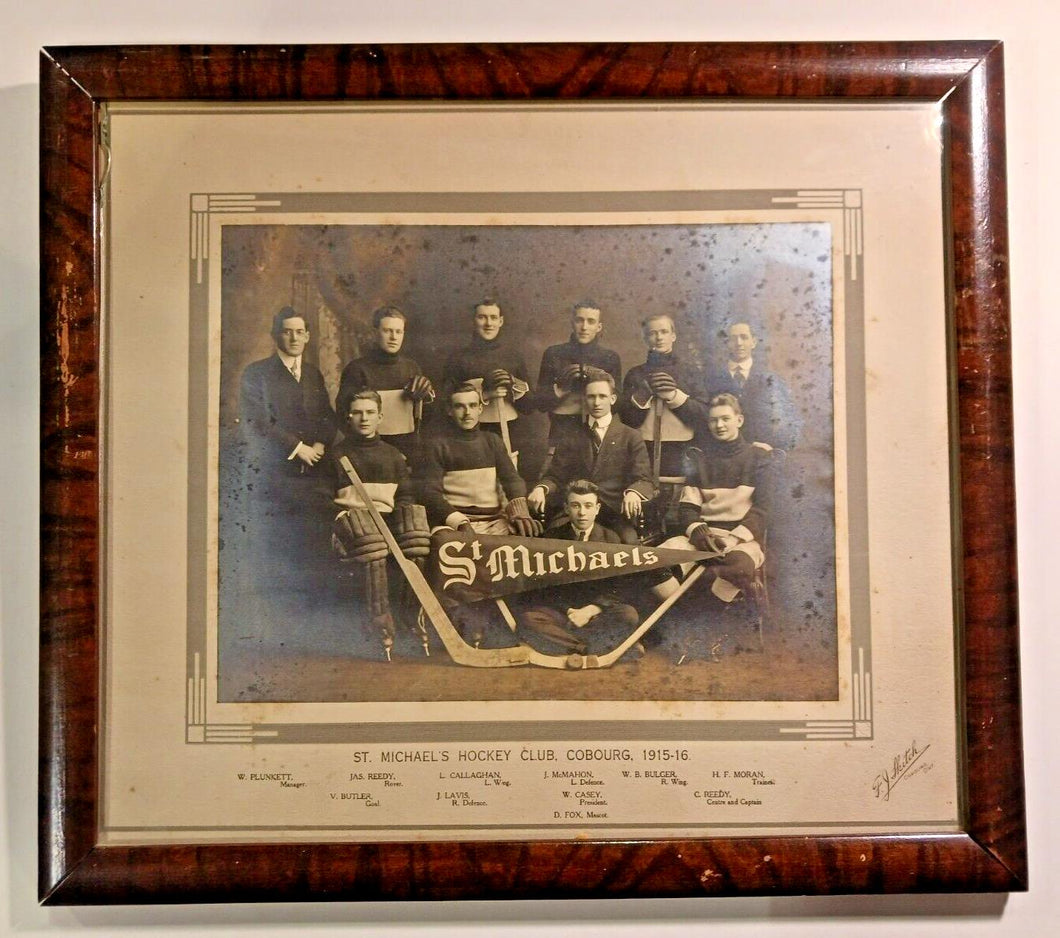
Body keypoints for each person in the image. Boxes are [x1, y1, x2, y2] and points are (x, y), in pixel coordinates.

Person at [238, 307, 338, 583]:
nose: (293, 338)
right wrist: (298, 448)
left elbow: (327, 416)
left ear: (307, 336)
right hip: (275, 473)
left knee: (315, 542)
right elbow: (257, 421)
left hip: (314, 473)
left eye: (299, 332)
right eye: (286, 331)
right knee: (279, 546)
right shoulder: (257, 374)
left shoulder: (312, 374)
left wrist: (319, 444)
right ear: (275, 335)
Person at [329, 389, 431, 658]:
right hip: (352, 525)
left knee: (418, 539)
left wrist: (404, 516)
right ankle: (380, 623)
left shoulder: (393, 455)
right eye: (358, 413)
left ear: (380, 417)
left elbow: (405, 495)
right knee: (372, 544)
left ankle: (412, 615)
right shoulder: (337, 455)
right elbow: (321, 497)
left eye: (370, 412)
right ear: (348, 417)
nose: (364, 418)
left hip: (386, 520)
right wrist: (340, 518)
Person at [653, 393, 775, 605]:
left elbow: (764, 510)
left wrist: (733, 539)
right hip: (703, 538)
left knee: (738, 567)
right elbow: (688, 508)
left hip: (740, 540)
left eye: (725, 418)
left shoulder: (757, 457)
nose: (719, 425)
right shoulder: (699, 458)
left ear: (739, 420)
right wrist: (701, 535)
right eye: (713, 420)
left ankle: (708, 610)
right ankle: (685, 608)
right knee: (653, 561)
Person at [513, 480, 639, 656]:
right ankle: (591, 648)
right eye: (575, 506)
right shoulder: (553, 537)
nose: (582, 513)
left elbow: (617, 587)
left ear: (597, 509)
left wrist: (591, 610)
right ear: (566, 509)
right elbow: (545, 586)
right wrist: (570, 611)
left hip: (595, 613)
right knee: (528, 620)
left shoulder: (611, 538)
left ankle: (570, 643)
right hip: (564, 613)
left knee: (628, 615)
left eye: (588, 506)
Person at [528, 371, 655, 544]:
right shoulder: (571, 434)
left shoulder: (630, 436)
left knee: (629, 543)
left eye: (602, 396)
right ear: (584, 399)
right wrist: (541, 489)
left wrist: (633, 492)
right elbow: (555, 475)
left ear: (612, 399)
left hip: (613, 511)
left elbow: (644, 479)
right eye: (591, 397)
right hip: (576, 510)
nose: (596, 402)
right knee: (554, 538)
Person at [419, 383, 542, 537]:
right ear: (449, 410)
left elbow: (512, 480)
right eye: (459, 406)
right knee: (444, 541)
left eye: (472, 405)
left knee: (525, 539)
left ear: (480, 409)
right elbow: (430, 493)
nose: (467, 412)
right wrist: (458, 521)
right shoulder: (438, 446)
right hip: (454, 523)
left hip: (494, 521)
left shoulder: (492, 441)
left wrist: (520, 512)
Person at [335, 306, 434, 460]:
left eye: (398, 331)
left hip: (408, 451)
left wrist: (425, 398)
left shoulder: (411, 367)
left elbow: (421, 419)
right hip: (370, 452)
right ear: (375, 333)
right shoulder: (357, 369)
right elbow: (343, 417)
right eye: (387, 331)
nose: (394, 337)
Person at [617, 313, 710, 477]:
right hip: (644, 448)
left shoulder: (690, 372)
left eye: (664, 332)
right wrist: (642, 396)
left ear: (673, 336)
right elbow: (626, 420)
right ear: (645, 339)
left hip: (681, 450)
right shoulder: (635, 373)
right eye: (652, 333)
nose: (659, 337)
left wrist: (674, 397)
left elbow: (703, 416)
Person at [441, 299, 533, 462]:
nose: (488, 323)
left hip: (508, 431)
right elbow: (446, 404)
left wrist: (513, 386)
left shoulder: (513, 357)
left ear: (501, 321)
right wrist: (485, 395)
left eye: (493, 317)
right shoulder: (459, 358)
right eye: (482, 317)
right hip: (472, 431)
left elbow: (529, 406)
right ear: (473, 320)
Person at [532, 301, 622, 446]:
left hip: (598, 428)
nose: (584, 327)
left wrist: (598, 378)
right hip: (562, 430)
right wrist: (561, 391)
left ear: (599, 327)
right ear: (572, 323)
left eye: (591, 321)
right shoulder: (554, 353)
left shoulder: (610, 357)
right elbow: (540, 403)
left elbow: (618, 404)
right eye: (579, 320)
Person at [705, 320, 800, 450]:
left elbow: (791, 420)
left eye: (744, 337)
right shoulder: (711, 378)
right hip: (722, 455)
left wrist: (774, 448)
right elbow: (702, 417)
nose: (739, 343)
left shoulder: (771, 379)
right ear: (727, 343)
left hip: (760, 455)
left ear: (754, 342)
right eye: (733, 339)